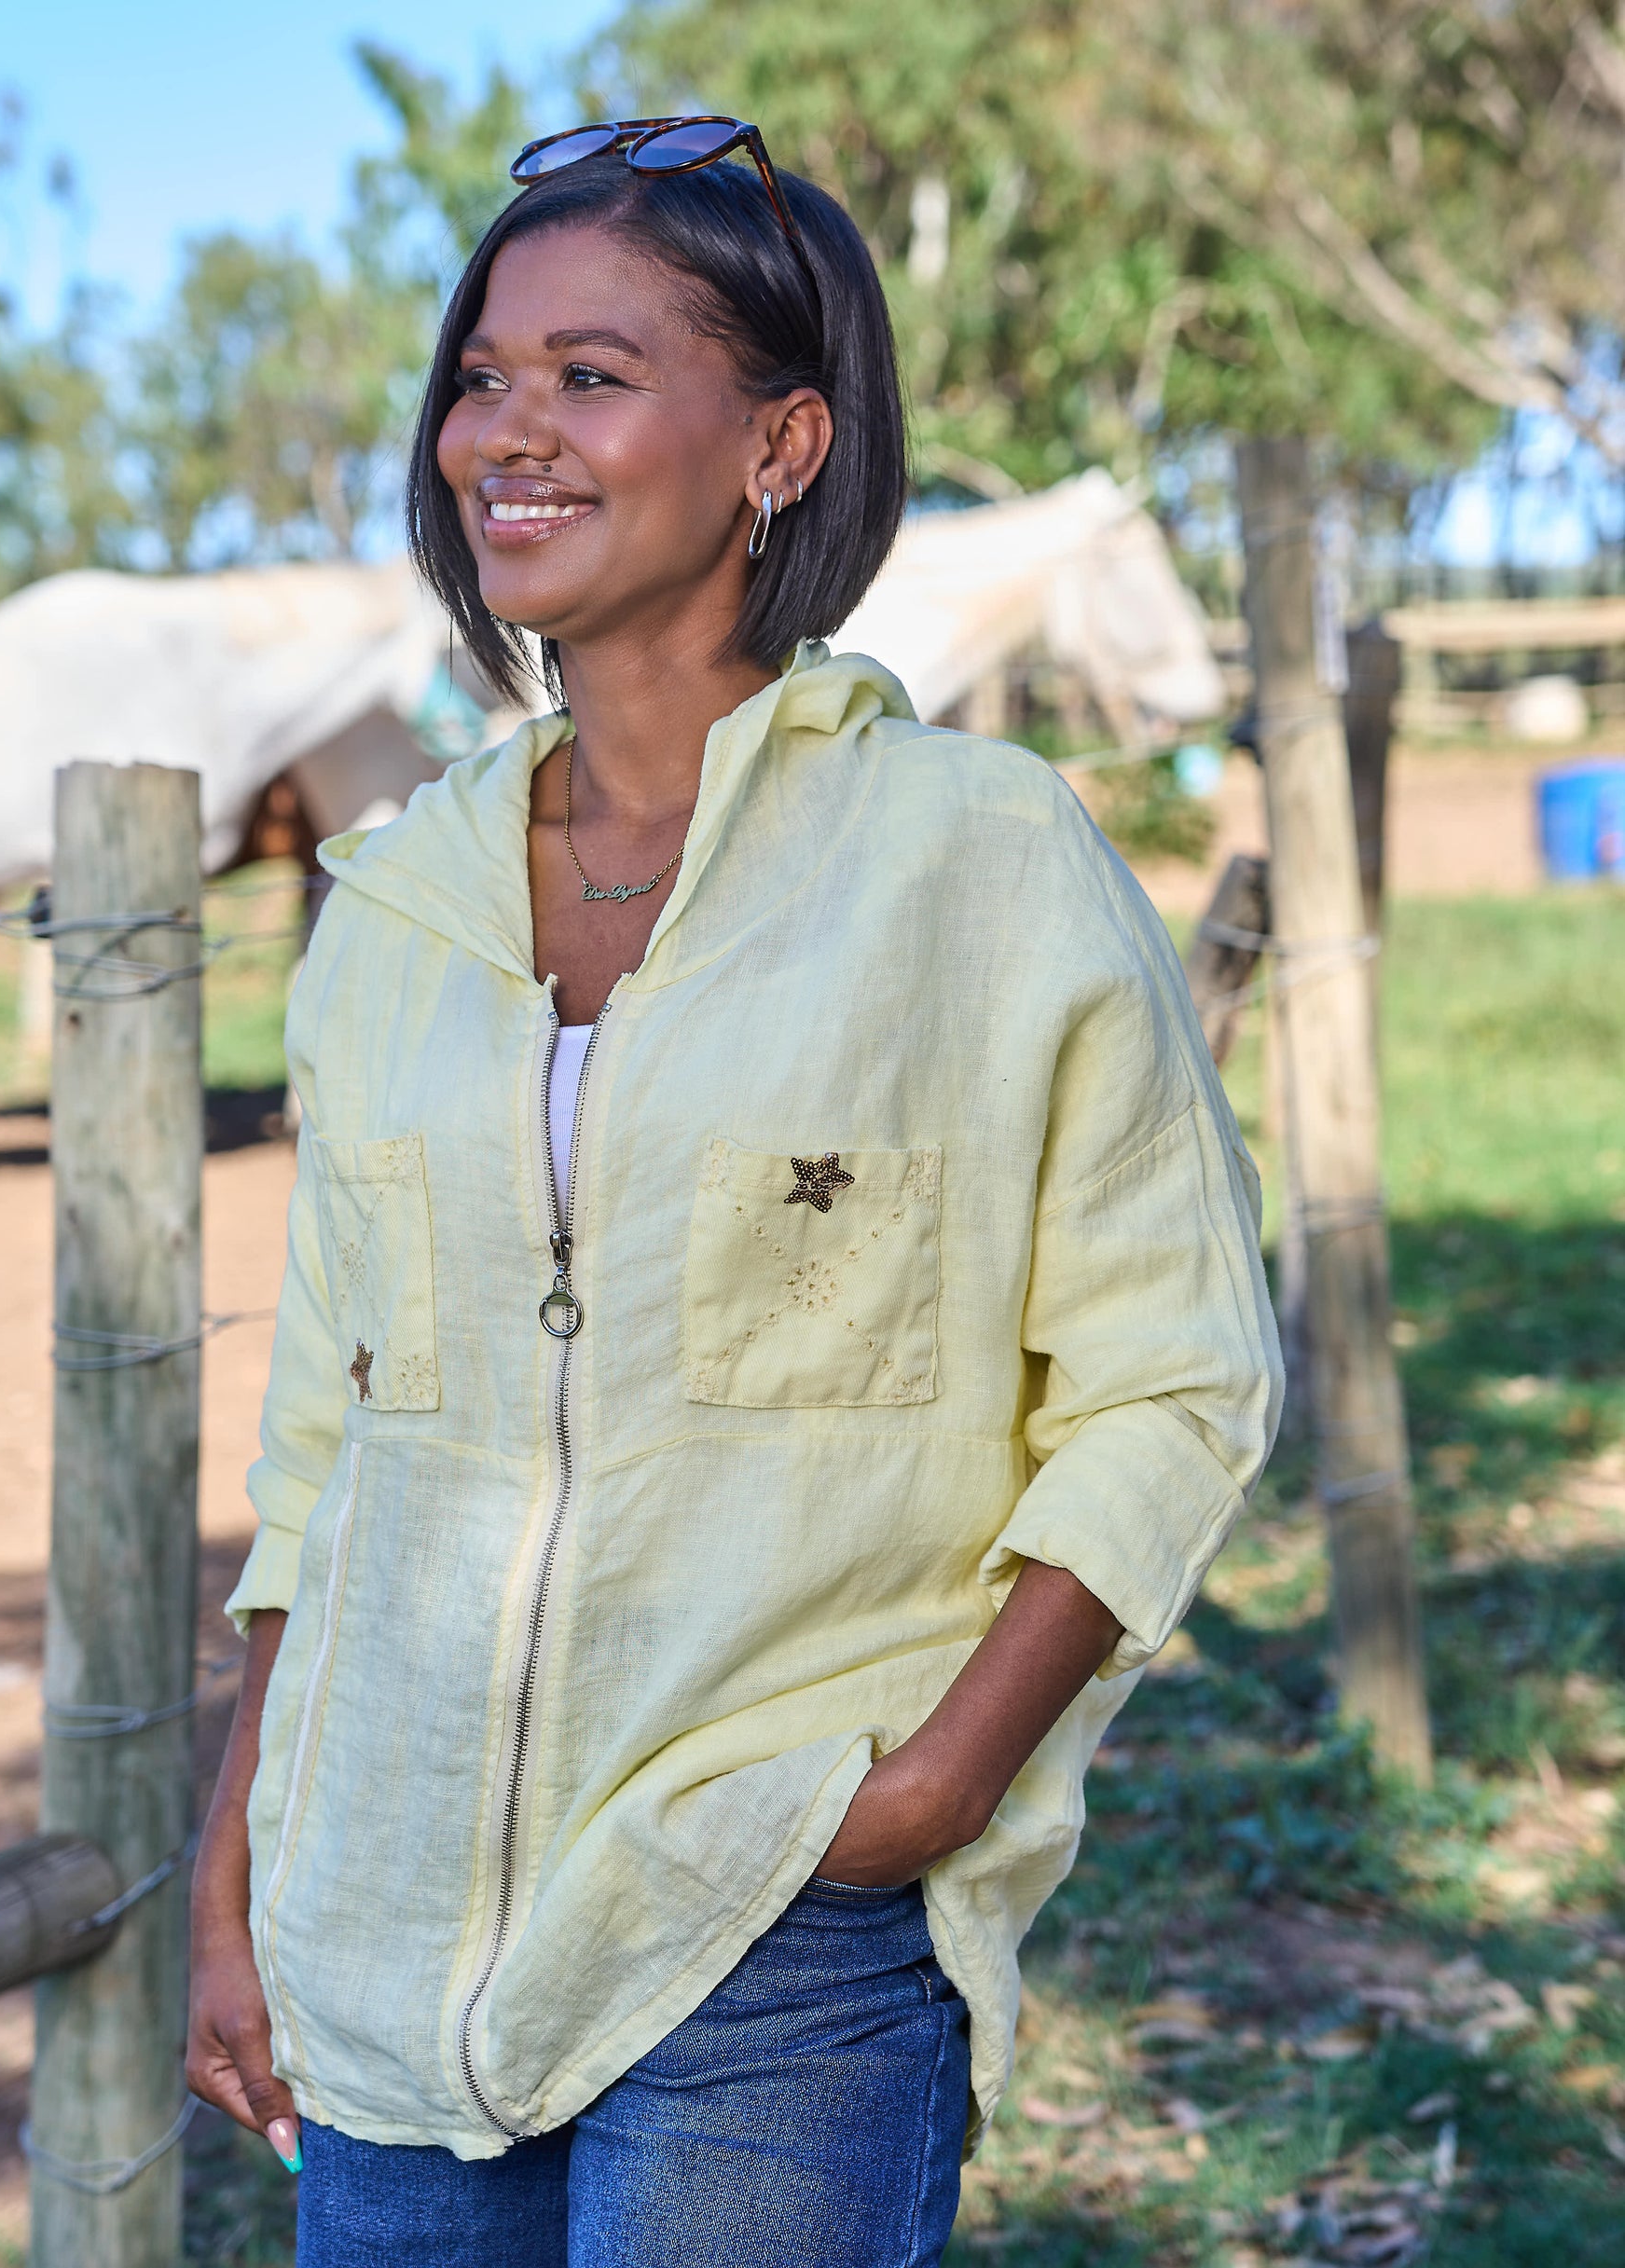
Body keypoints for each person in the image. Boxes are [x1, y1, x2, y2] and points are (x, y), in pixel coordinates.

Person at [188, 116, 1282, 2268]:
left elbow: (1173, 1376)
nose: (503, 431)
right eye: (481, 378)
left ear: (781, 444)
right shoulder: (388, 907)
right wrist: (240, 1858)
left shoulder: (977, 859)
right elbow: (331, 1437)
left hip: (771, 1925)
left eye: (590, 376)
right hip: (388, 1925)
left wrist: (925, 1789)